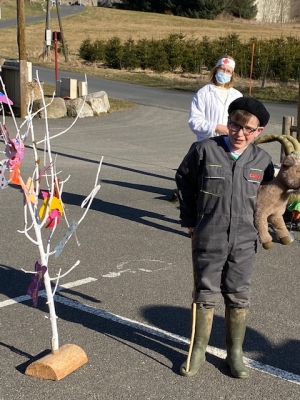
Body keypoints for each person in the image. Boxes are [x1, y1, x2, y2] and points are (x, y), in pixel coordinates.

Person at [175, 97, 274, 379]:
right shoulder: (204, 150)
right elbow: (184, 180)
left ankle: (235, 354)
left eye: (247, 129)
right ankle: (197, 350)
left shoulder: (262, 160)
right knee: (205, 292)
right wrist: (190, 221)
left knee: (238, 294)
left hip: (245, 238)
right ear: (227, 123)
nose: (239, 133)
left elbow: (268, 194)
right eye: (234, 125)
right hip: (210, 233)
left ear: (259, 131)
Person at [188, 55, 243, 142]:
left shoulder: (237, 96)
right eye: (222, 69)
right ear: (216, 70)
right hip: (208, 143)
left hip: (230, 144)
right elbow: (195, 122)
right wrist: (216, 127)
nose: (224, 73)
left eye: (228, 71)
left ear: (232, 75)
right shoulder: (203, 93)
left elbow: (242, 121)